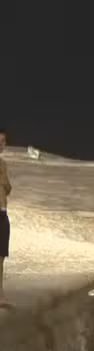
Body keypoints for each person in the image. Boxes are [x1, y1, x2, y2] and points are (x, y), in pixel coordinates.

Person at [0, 130, 11, 306]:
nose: (1, 144)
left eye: (3, 141)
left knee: (1, 256)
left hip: (2, 213)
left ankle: (0, 295)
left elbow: (7, 188)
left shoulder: (3, 164)